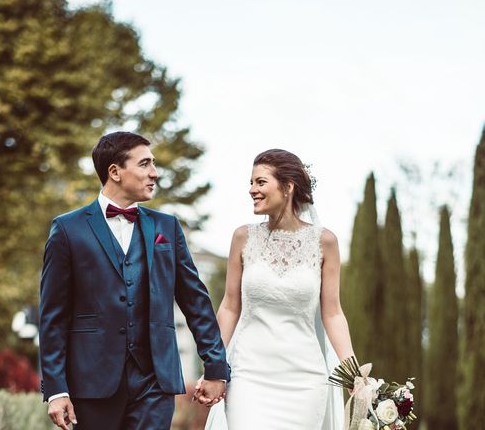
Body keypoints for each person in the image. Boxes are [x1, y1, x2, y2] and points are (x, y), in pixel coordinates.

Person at [39, 131, 230, 430]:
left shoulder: (167, 227)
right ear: (114, 171)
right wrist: (56, 388)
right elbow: (52, 316)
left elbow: (195, 301)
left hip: (155, 381)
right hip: (91, 383)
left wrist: (216, 366)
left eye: (153, 164)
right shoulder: (67, 230)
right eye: (144, 164)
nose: (154, 173)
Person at [204, 149, 353, 429]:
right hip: (249, 374)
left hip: (304, 378)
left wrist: (354, 373)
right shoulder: (242, 237)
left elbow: (332, 314)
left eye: (260, 182)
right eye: (250, 183)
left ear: (287, 186)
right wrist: (214, 366)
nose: (251, 190)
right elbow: (229, 306)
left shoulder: (325, 242)